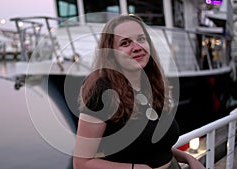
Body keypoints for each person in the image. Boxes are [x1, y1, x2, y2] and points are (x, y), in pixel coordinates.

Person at [73, 14, 206, 169]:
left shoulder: (151, 84)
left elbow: (153, 146)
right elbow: (81, 163)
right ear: (110, 53)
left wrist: (187, 158)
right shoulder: (102, 91)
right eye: (125, 43)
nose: (137, 47)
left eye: (141, 39)